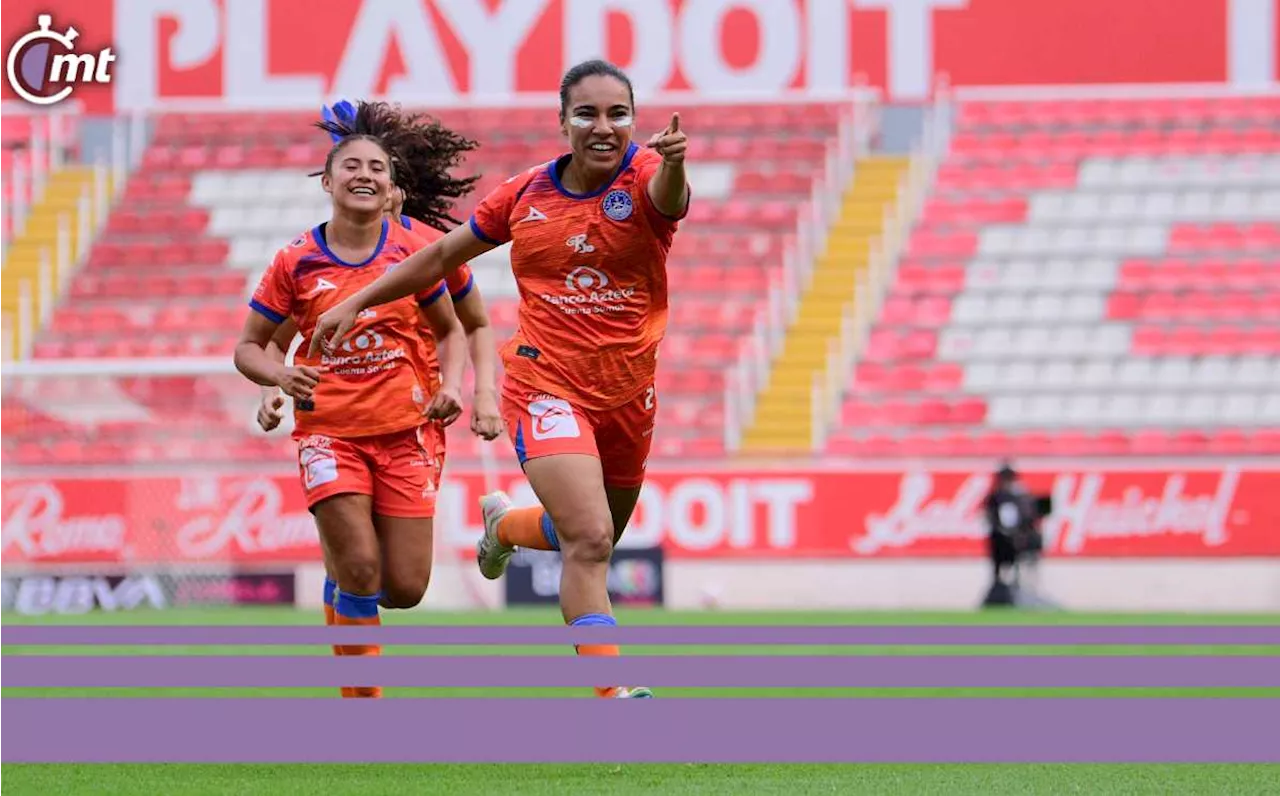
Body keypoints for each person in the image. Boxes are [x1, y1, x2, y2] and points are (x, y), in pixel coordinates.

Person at [308, 59, 690, 699]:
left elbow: (668, 201)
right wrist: (357, 301)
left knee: (596, 535)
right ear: (562, 121)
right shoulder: (523, 196)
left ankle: (504, 528)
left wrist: (675, 162)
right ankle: (614, 695)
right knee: (590, 540)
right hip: (546, 384)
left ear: (635, 120)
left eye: (618, 113)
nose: (603, 126)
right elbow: (437, 257)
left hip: (630, 393)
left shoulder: (648, 173)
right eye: (587, 113)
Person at [233, 101, 480, 698]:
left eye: (377, 167)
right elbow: (251, 346)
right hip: (329, 434)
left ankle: (339, 587)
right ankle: (364, 708)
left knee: (404, 587)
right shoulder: (296, 260)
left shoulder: (413, 256)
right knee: (362, 569)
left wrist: (455, 385)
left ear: (393, 186)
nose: (364, 174)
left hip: (408, 432)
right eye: (351, 165)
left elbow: (454, 328)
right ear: (328, 181)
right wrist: (277, 380)